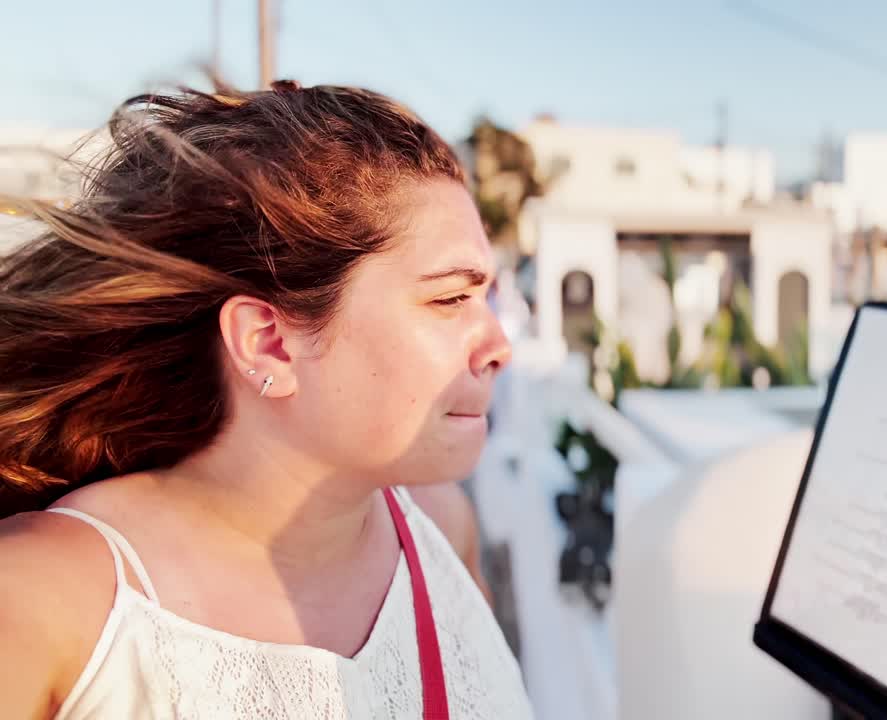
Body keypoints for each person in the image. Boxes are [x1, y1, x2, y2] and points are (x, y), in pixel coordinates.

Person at [0, 80, 533, 719]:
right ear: (268, 343)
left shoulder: (442, 530)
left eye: (485, 297)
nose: (499, 345)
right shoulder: (44, 602)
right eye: (449, 298)